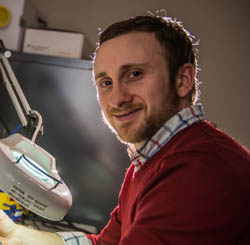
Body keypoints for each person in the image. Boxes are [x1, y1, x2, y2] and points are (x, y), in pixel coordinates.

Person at [1, 13, 250, 245]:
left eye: (134, 74)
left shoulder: (200, 170)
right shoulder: (149, 161)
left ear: (183, 80)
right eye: (106, 82)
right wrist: (14, 234)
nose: (117, 98)